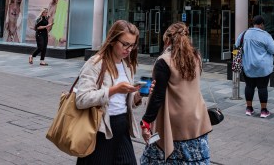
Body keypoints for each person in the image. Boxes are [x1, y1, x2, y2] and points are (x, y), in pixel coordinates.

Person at [140, 22, 212, 164]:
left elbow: (157, 95)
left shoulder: (164, 61)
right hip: (196, 118)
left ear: (167, 40)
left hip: (173, 122)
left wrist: (146, 121)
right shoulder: (196, 56)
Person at [75, 20, 142, 165]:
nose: (129, 49)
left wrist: (137, 95)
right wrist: (113, 90)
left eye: (133, 45)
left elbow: (123, 101)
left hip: (122, 126)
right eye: (125, 44)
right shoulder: (96, 63)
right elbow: (81, 99)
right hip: (100, 128)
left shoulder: (127, 65)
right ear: (112, 40)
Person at [235, 15, 274, 118]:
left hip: (247, 66)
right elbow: (273, 50)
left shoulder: (244, 34)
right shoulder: (266, 35)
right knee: (262, 88)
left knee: (249, 87)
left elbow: (236, 45)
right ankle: (263, 111)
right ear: (261, 24)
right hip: (262, 67)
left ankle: (249, 109)